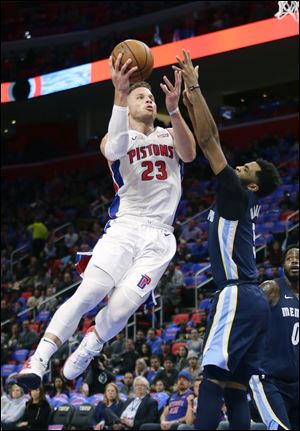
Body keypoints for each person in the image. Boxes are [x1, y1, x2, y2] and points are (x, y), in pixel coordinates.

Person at [10, 52, 196, 390]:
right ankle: (38, 358)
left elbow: (189, 154)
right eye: (143, 96)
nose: (149, 100)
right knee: (90, 293)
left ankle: (90, 345)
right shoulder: (114, 138)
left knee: (122, 307)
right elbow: (115, 149)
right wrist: (120, 94)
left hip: (160, 238)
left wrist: (174, 109)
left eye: (151, 96)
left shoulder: (168, 134)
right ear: (129, 103)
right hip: (125, 227)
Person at [174, 49, 281, 430]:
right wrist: (191, 104)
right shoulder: (239, 197)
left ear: (252, 183)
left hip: (236, 293)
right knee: (236, 387)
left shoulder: (237, 194)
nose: (238, 166)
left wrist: (195, 86)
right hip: (252, 299)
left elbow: (208, 139)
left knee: (212, 380)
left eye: (246, 168)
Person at [249, 245, 299, 430]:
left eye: (298, 258)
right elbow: (247, 317)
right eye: (289, 258)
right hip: (269, 378)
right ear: (283, 264)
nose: (294, 260)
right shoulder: (273, 288)